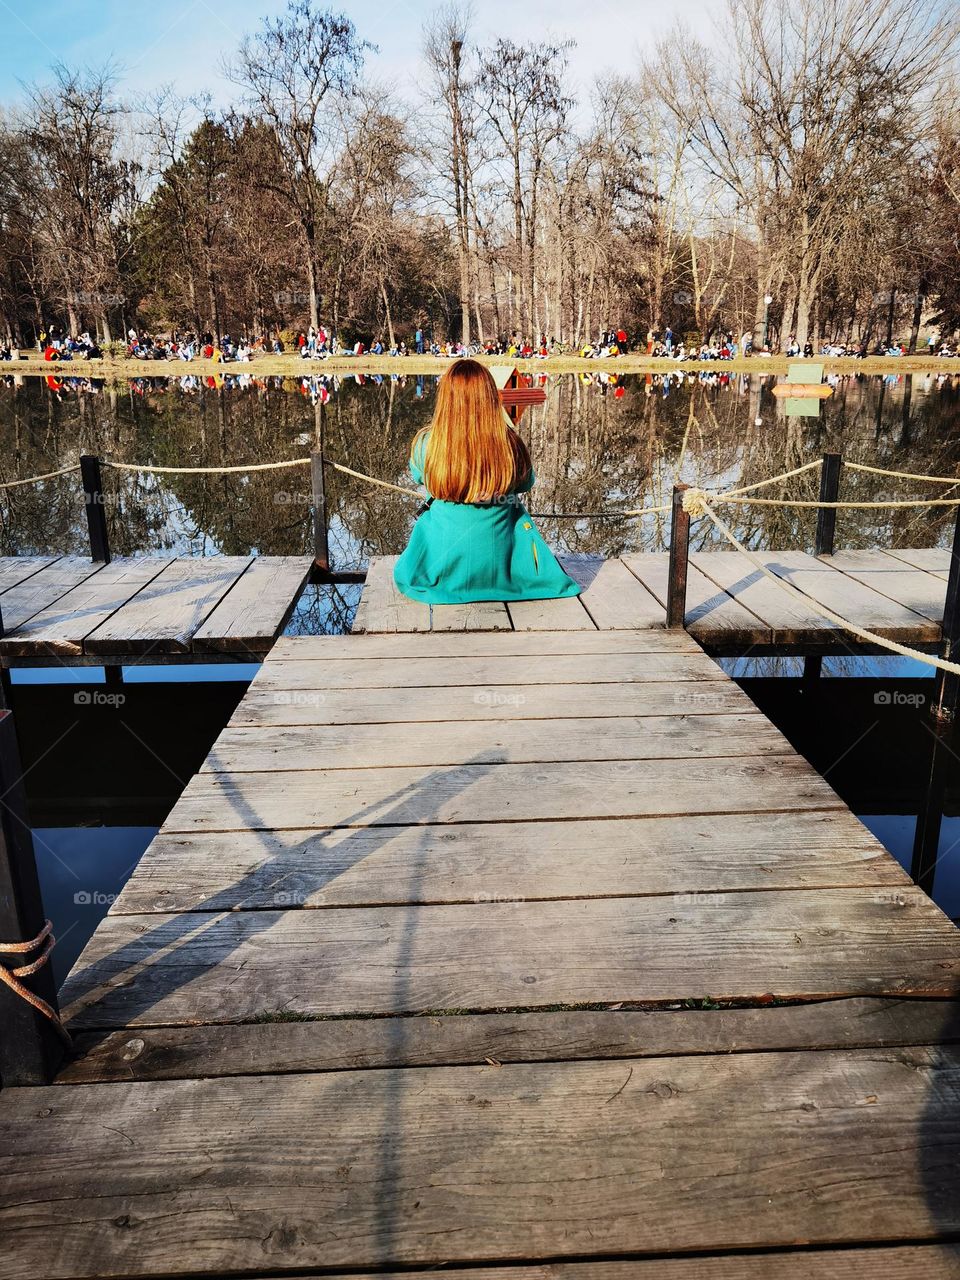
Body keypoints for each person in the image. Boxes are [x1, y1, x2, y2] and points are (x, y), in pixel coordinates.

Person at [393, 359, 581, 605]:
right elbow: (526, 484)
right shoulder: (510, 442)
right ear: (491, 396)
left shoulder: (426, 443)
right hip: (502, 564)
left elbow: (419, 476)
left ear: (445, 399)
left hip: (442, 566)